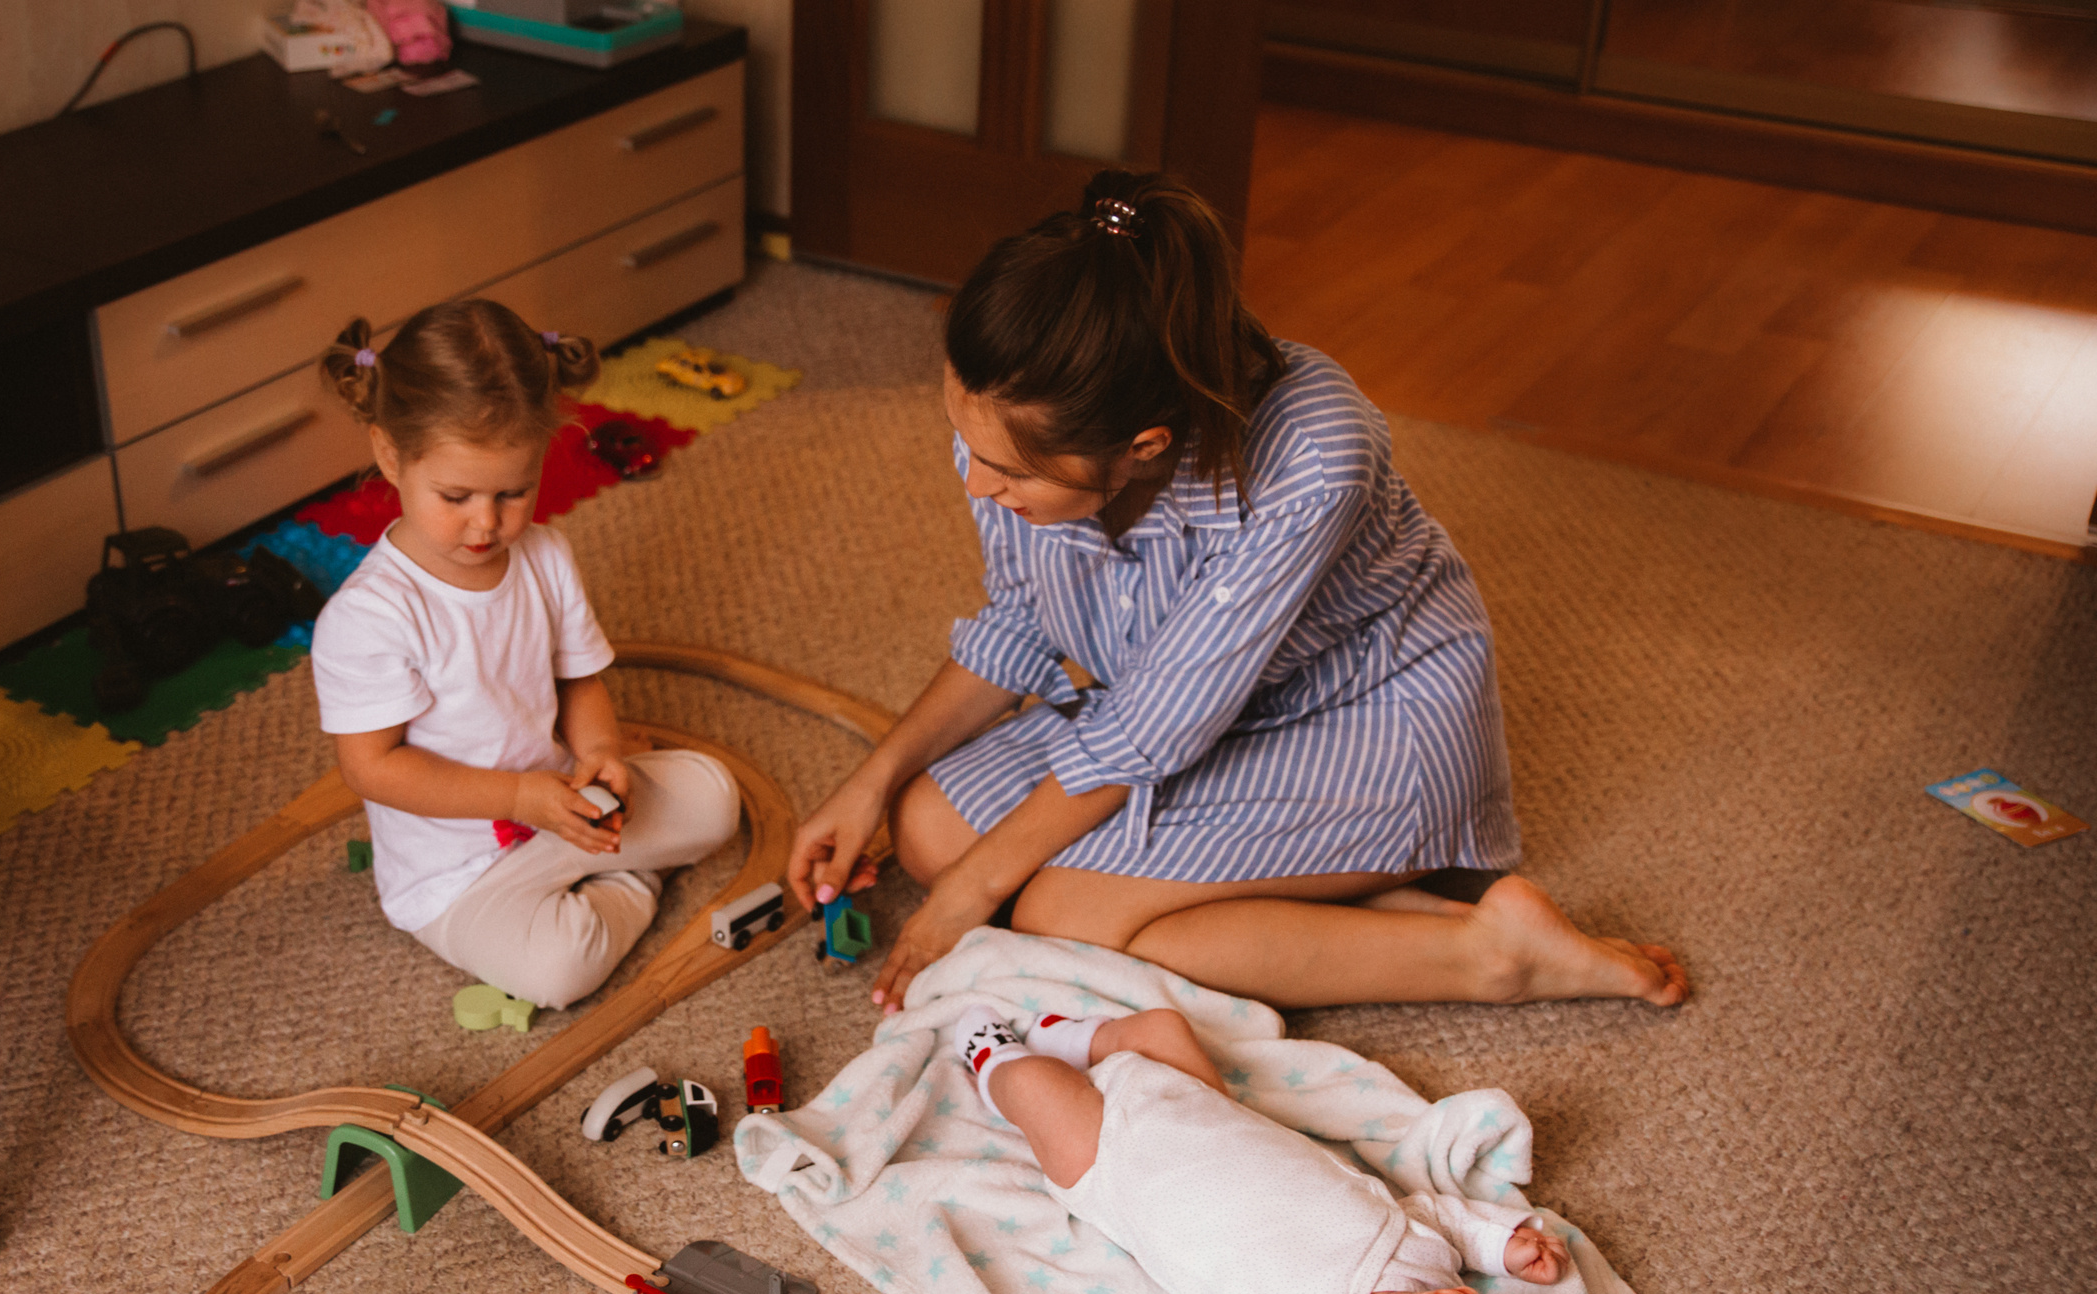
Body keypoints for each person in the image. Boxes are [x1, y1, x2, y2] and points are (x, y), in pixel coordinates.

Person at [786, 170, 1687, 1016]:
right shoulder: (1009, 420)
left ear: (1142, 447)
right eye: (966, 442)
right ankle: (1343, 899)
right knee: (925, 827)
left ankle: (1489, 955)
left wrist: (974, 890)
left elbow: (1151, 730)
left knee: (1062, 911)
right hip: (1181, 713)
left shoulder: (1314, 457)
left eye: (1009, 472)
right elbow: (1022, 623)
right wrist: (868, 784)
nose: (976, 484)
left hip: (1363, 721)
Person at [310, 302, 739, 1009]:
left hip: (565, 802)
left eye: (513, 492)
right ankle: (636, 877)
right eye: (456, 495)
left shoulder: (545, 555)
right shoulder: (368, 617)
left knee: (718, 798)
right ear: (389, 455)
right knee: (557, 971)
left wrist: (601, 750)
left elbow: (577, 680)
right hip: (459, 871)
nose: (487, 522)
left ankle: (609, 868)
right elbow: (372, 767)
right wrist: (518, 799)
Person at [953, 1005, 1586, 1294]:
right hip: (1201, 1108)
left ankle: (995, 1059)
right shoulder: (1422, 1256)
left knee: (1036, 1089)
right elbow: (1442, 1214)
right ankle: (1080, 1038)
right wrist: (1503, 1243)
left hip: (1109, 1163)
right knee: (1164, 1030)